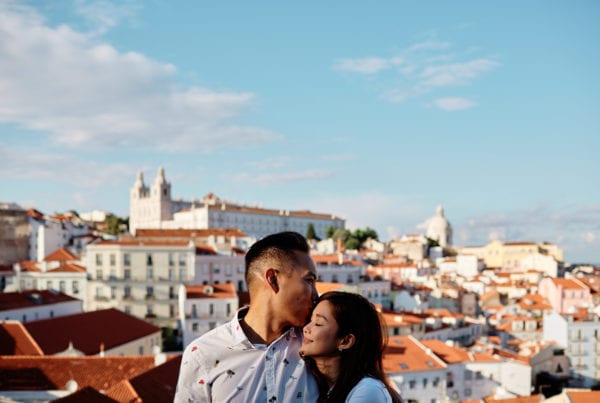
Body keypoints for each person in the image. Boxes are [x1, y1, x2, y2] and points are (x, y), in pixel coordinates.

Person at [174, 231, 320, 402]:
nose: (316, 295)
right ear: (273, 279)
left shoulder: (316, 344)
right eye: (309, 281)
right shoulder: (202, 355)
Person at [301, 291, 402, 403]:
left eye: (318, 323)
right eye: (310, 320)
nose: (306, 328)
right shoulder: (319, 384)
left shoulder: (368, 391)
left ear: (345, 341)